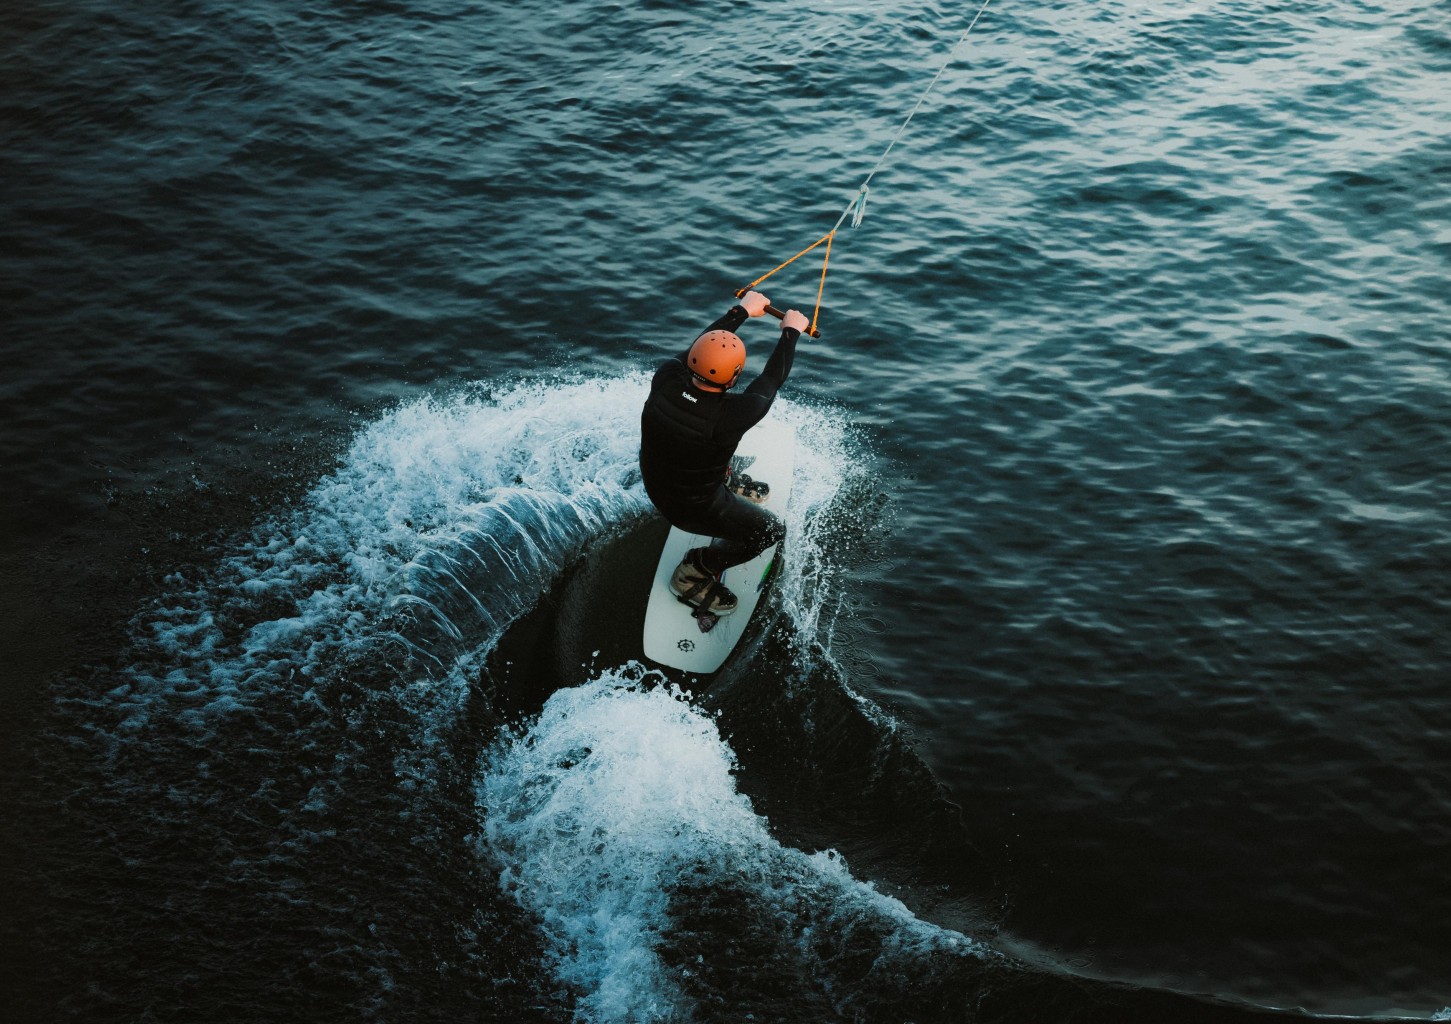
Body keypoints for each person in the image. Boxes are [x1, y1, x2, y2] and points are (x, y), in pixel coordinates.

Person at [639, 290, 810, 617]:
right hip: (690, 509)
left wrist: (741, 311)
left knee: (699, 445)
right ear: (734, 378)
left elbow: (700, 345)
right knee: (771, 532)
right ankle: (693, 572)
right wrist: (791, 332)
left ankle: (725, 480)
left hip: (656, 482)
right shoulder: (734, 416)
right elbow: (771, 378)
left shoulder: (665, 379)